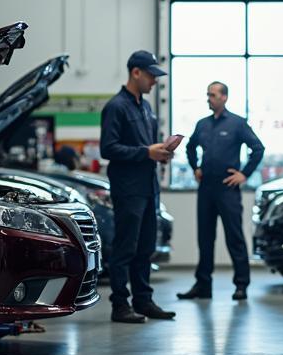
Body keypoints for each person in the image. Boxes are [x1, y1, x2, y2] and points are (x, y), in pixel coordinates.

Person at [99, 51, 178, 324]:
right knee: (125, 248)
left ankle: (143, 301)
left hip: (148, 188)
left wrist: (162, 152)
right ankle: (120, 305)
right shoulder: (116, 107)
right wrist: (146, 152)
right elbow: (108, 148)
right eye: (151, 75)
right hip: (128, 189)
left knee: (145, 248)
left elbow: (149, 148)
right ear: (136, 73)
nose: (155, 82)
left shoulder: (145, 108)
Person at [178, 82, 265, 302]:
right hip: (206, 187)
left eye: (213, 95)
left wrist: (244, 174)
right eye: (207, 94)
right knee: (205, 239)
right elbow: (190, 147)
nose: (209, 98)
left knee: (234, 238)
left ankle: (241, 286)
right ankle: (203, 285)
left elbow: (258, 148)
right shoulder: (202, 125)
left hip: (228, 188)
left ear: (224, 97)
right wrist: (195, 167)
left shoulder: (237, 123)